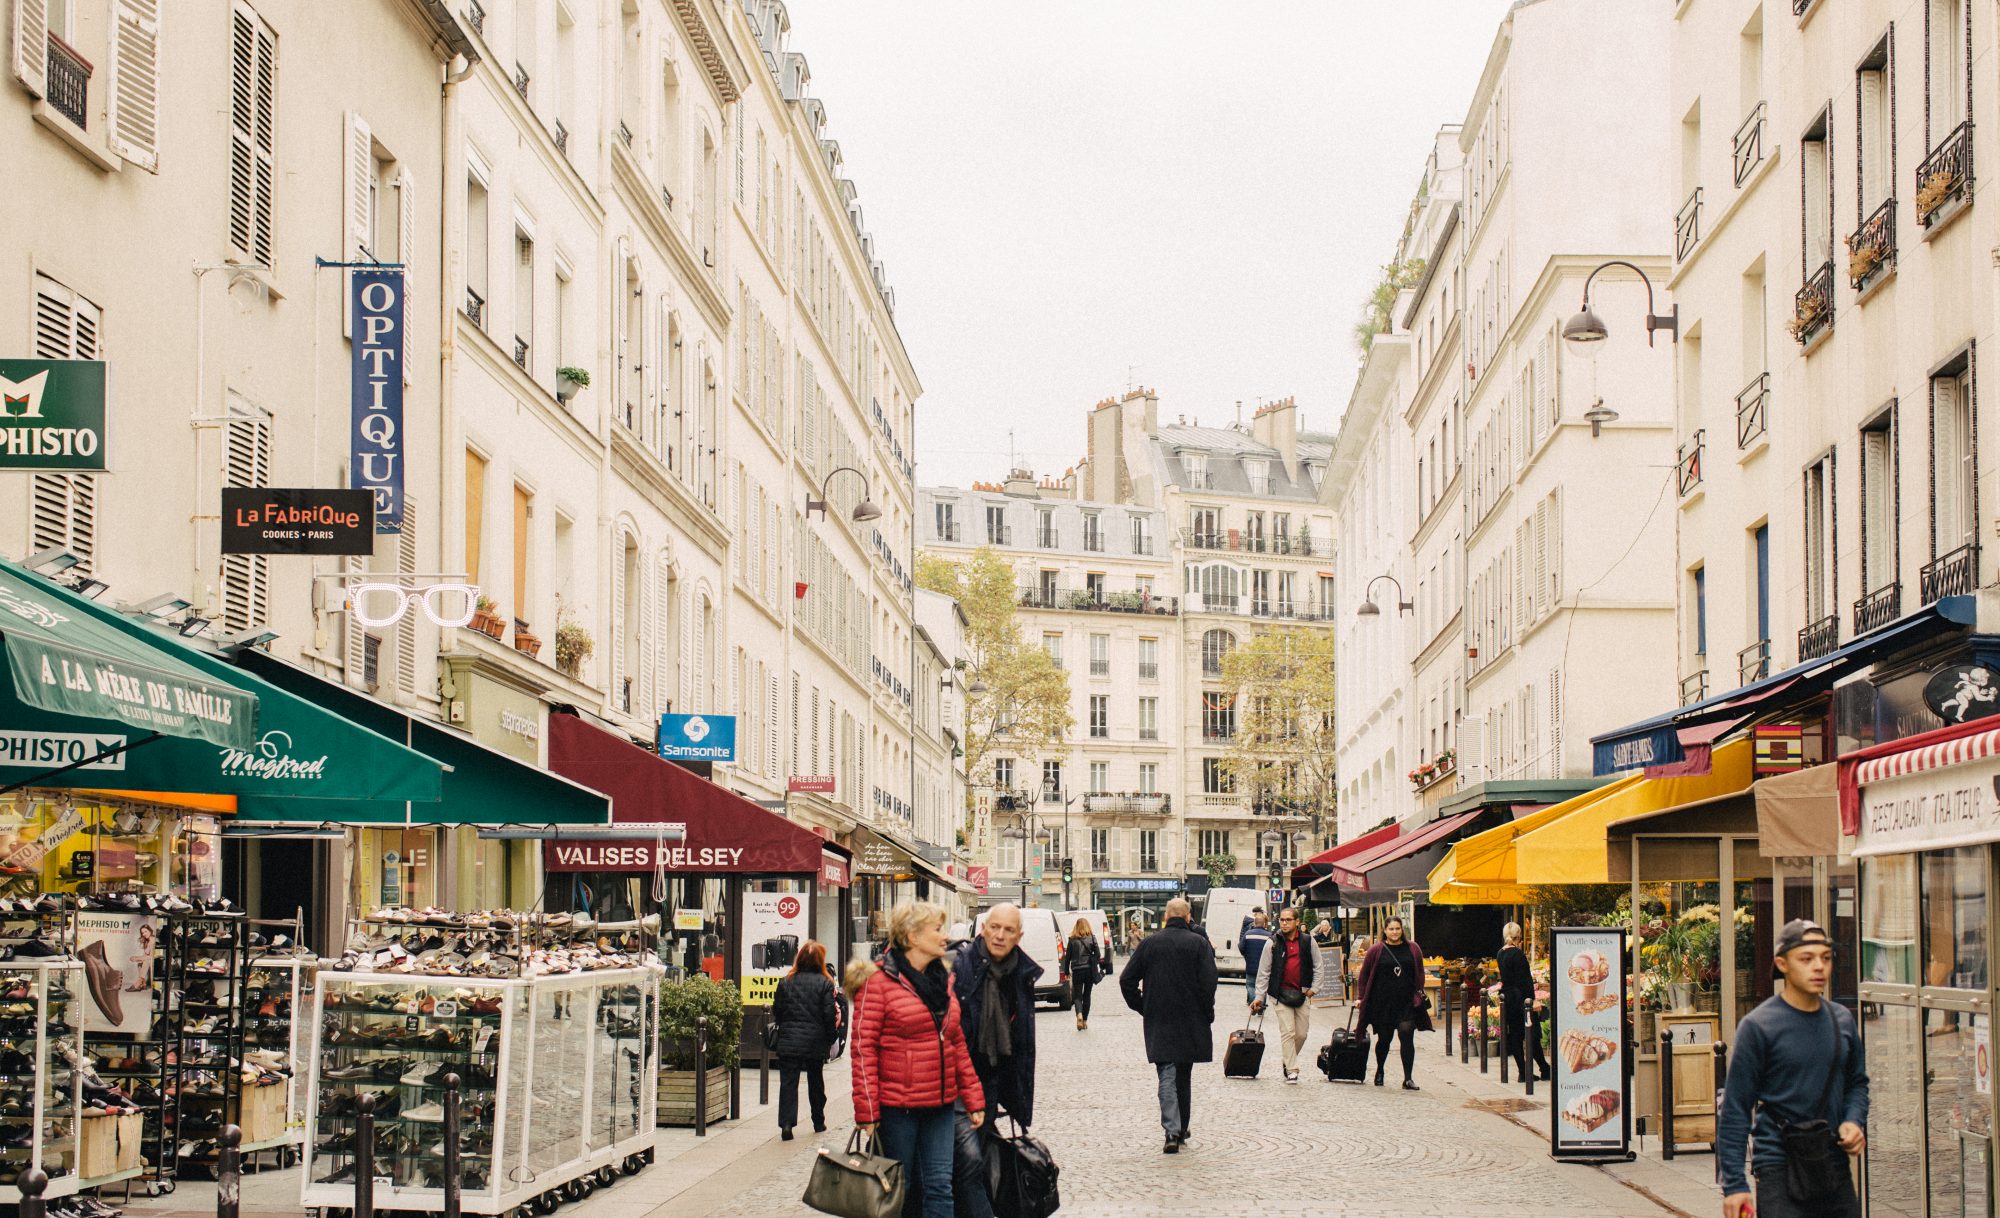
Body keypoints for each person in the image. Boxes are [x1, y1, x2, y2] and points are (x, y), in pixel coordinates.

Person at [1718, 920, 1868, 1218]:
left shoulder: (1842, 1021)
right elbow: (1736, 1109)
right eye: (1806, 959)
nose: (1819, 967)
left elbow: (1857, 1083)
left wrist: (1854, 1120)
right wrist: (1734, 1184)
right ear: (1782, 964)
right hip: (1778, 1167)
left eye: (1826, 958)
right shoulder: (1759, 1026)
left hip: (1833, 1165)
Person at [852, 901, 986, 1218]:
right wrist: (867, 1109)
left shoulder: (944, 981)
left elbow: (955, 1041)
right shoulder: (878, 982)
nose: (944, 937)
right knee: (901, 1187)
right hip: (898, 1108)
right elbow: (862, 1048)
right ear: (912, 936)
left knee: (941, 1186)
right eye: (937, 929)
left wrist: (973, 1096)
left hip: (940, 1105)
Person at [949, 904, 1041, 1218]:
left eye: (1009, 930)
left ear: (1019, 936)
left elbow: (1022, 1041)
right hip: (956, 1081)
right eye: (995, 927)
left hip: (990, 1080)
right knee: (969, 1160)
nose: (1000, 936)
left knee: (976, 1160)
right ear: (984, 928)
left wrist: (1016, 1095)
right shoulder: (961, 965)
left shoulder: (1020, 973)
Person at [1119, 896, 1217, 1154]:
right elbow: (1209, 983)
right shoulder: (1199, 944)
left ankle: (1173, 1130)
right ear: (1187, 918)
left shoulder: (1150, 944)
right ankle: (1180, 1127)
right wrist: (1207, 1013)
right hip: (1191, 1018)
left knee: (1167, 1073)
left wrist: (1143, 1007)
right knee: (1183, 1074)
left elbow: (1126, 979)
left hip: (1160, 1018)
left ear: (1165, 917)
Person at [771, 939, 841, 1140]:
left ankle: (786, 1124)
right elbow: (829, 1014)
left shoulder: (786, 981)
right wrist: (831, 1037)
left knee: (788, 1083)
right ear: (820, 961)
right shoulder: (825, 983)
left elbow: (778, 1010)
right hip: (815, 1041)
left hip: (790, 1040)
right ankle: (818, 1121)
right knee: (815, 1081)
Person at [1354, 915, 1431, 1090]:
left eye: (1397, 929)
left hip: (1406, 1002)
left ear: (1402, 930)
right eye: (1391, 929)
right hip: (1383, 1003)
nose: (1395, 932)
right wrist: (1361, 997)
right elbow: (1364, 975)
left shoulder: (1413, 948)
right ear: (1385, 931)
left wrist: (1418, 993)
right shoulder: (1376, 950)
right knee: (1384, 1039)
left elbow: (1419, 972)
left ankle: (1408, 1078)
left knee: (1406, 1035)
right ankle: (1380, 1070)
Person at [1249, 907, 1317, 1083]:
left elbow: (1318, 965)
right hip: (1279, 994)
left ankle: (1287, 1059)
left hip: (1302, 993)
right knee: (1288, 1031)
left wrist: (1313, 989)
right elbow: (1263, 972)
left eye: (1288, 920)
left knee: (1301, 1034)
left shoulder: (1308, 941)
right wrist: (1259, 996)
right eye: (1282, 920)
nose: (1284, 923)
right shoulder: (1272, 943)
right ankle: (1292, 1069)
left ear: (1297, 922)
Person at [1495, 923, 1547, 1082]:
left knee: (1516, 1036)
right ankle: (1544, 1068)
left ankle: (1523, 1071)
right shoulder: (1518, 954)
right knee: (1533, 1034)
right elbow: (1525, 981)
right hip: (1522, 998)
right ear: (1519, 937)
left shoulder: (1500, 953)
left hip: (1509, 998)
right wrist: (1532, 1000)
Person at [1064, 917, 1103, 1030]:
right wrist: (1092, 959)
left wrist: (1067, 971)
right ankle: (1085, 1020)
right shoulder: (1092, 938)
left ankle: (1079, 1014)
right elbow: (1098, 954)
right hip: (1089, 970)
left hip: (1077, 970)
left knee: (1077, 996)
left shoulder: (1072, 940)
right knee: (1087, 995)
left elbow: (1067, 958)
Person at [1238, 909, 1272, 1008]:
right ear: (1264, 924)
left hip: (1251, 966)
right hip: (1264, 967)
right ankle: (1261, 1005)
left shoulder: (1248, 934)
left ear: (1254, 923)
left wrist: (1247, 955)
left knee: (1251, 985)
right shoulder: (1269, 936)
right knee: (1262, 986)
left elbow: (1241, 947)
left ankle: (1253, 1002)